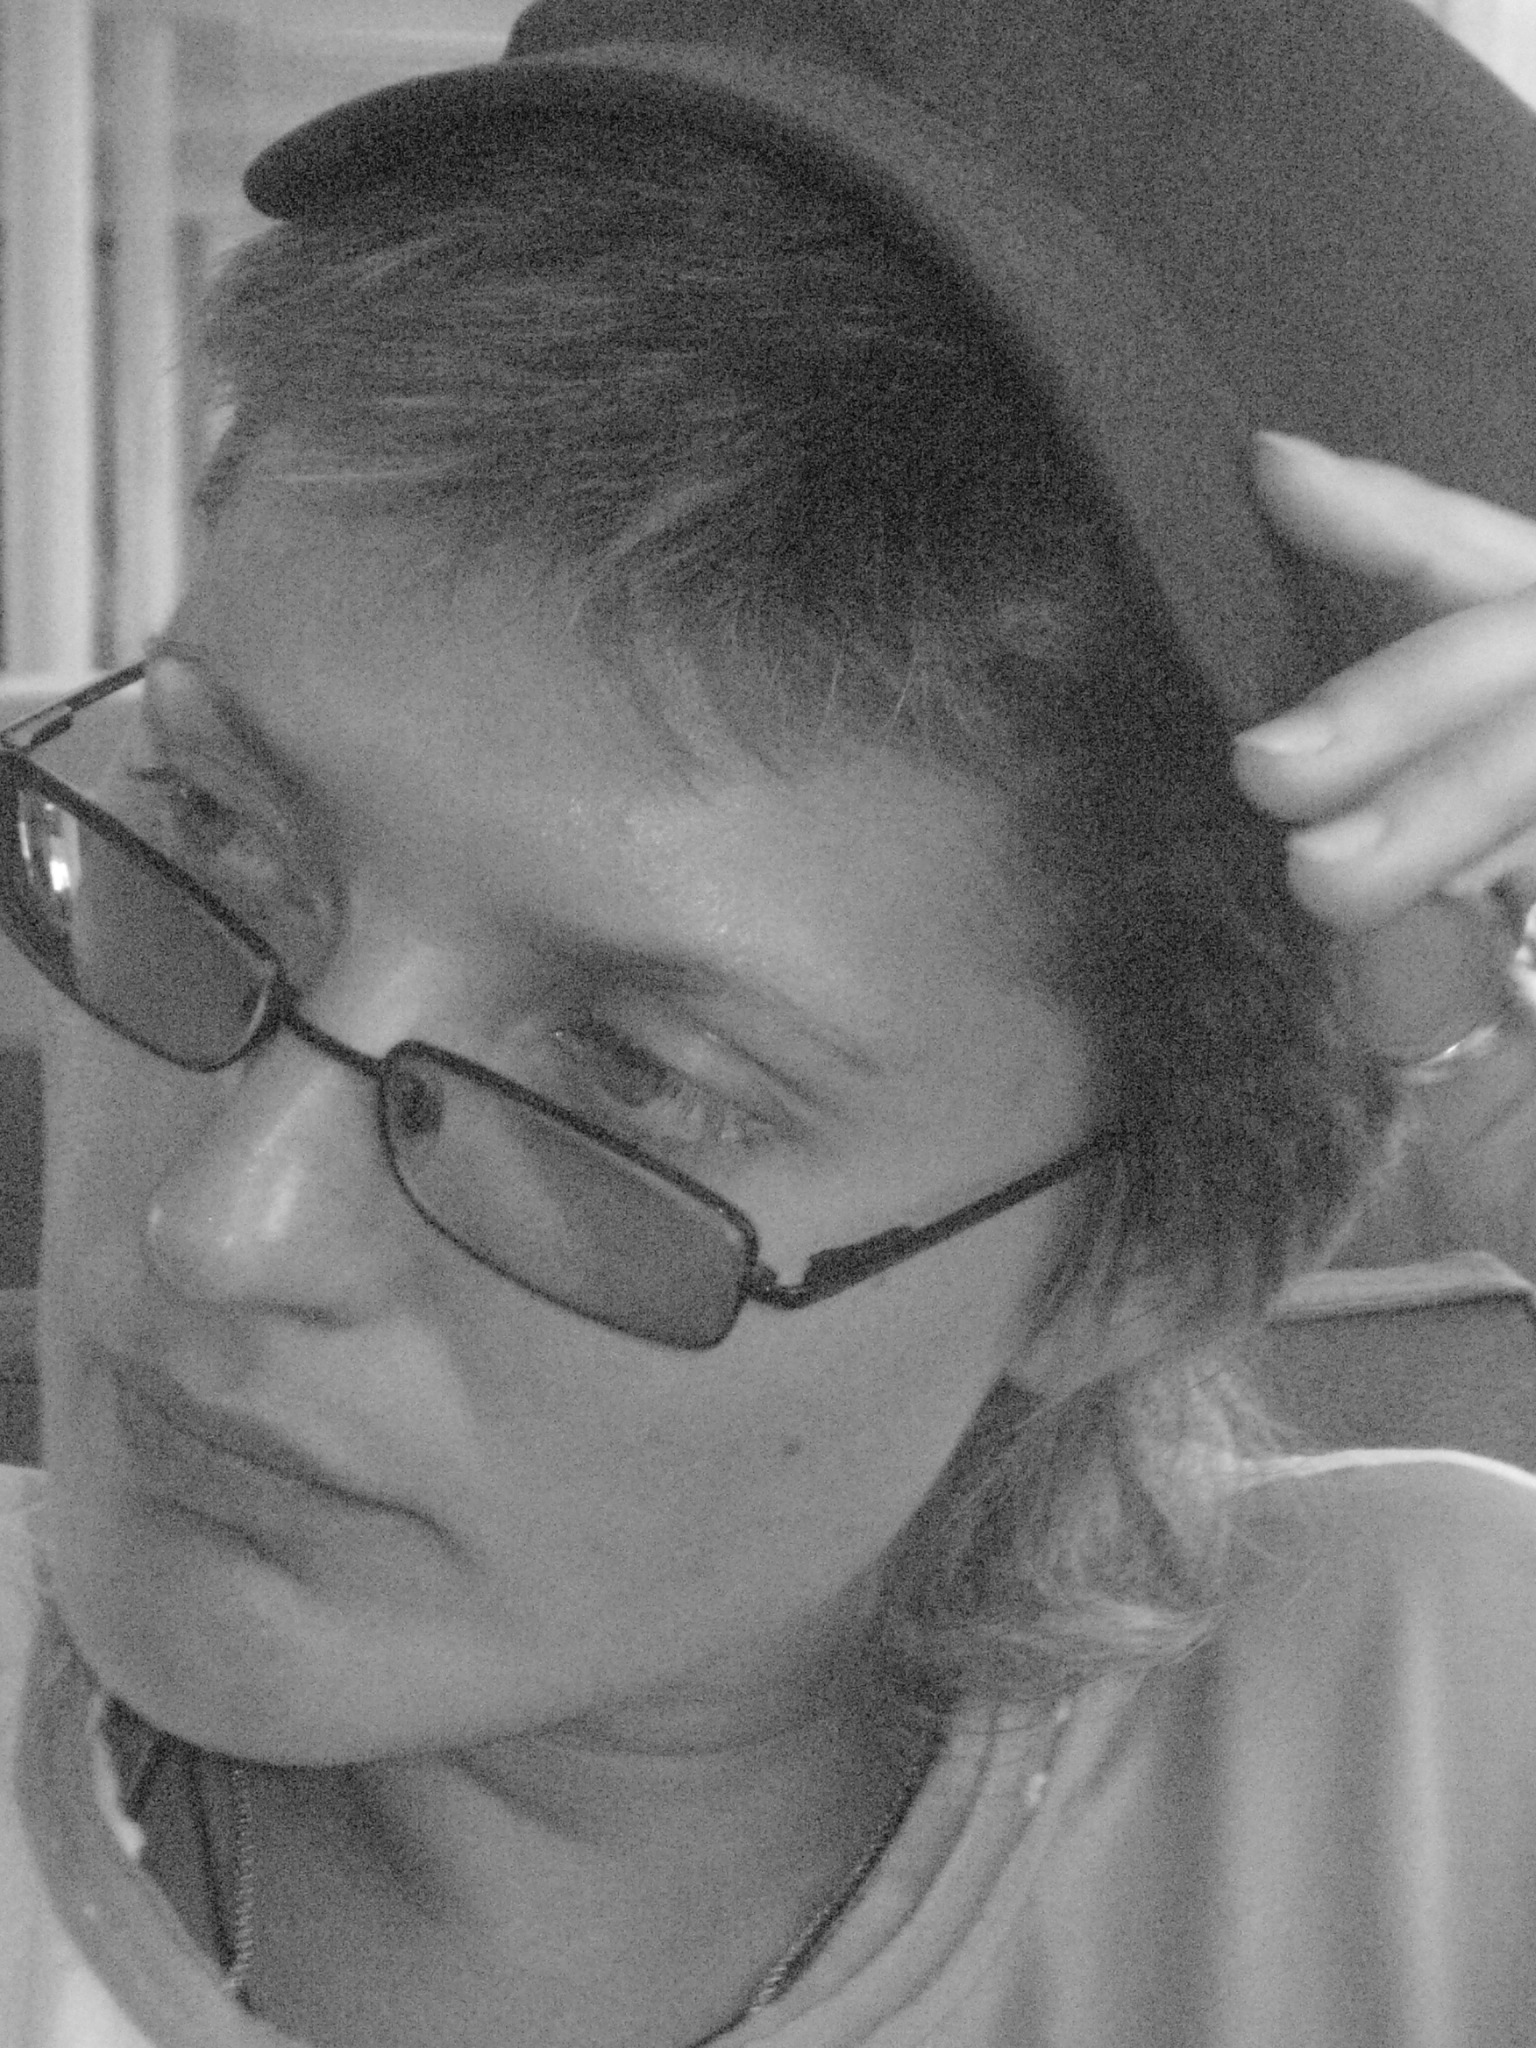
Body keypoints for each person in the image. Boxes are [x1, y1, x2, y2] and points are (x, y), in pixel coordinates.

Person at [3, 1, 1536, 2043]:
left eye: (633, 1080)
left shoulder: (1440, 1769)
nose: (222, 1225)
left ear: (1152, 1247)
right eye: (209, 829)